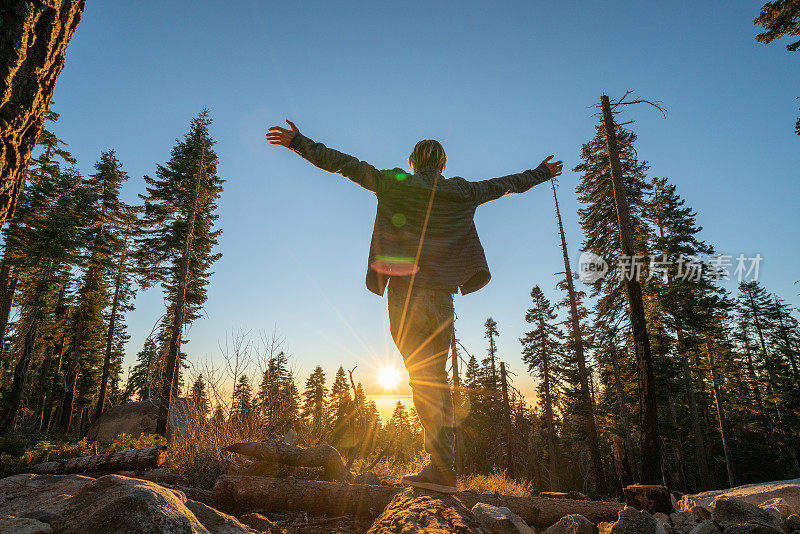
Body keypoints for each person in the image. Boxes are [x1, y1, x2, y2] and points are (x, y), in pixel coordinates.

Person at [267, 121, 562, 493]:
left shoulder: (396, 184)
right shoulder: (462, 191)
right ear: (441, 164)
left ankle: (440, 471)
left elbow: (345, 164)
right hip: (441, 298)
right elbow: (505, 185)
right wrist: (542, 173)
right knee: (434, 380)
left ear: (413, 163)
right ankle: (442, 469)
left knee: (421, 379)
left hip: (405, 296)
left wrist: (298, 143)